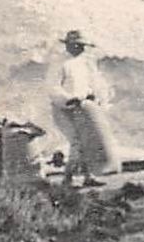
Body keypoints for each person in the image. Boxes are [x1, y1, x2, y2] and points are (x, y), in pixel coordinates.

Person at [48, 29, 120, 187]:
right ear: (68, 46)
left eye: (81, 45)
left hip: (82, 108)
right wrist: (68, 99)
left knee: (87, 140)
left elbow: (92, 84)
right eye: (75, 45)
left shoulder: (85, 63)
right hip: (64, 110)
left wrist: (93, 96)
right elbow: (53, 88)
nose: (78, 48)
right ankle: (67, 178)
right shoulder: (60, 64)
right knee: (76, 142)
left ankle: (88, 177)